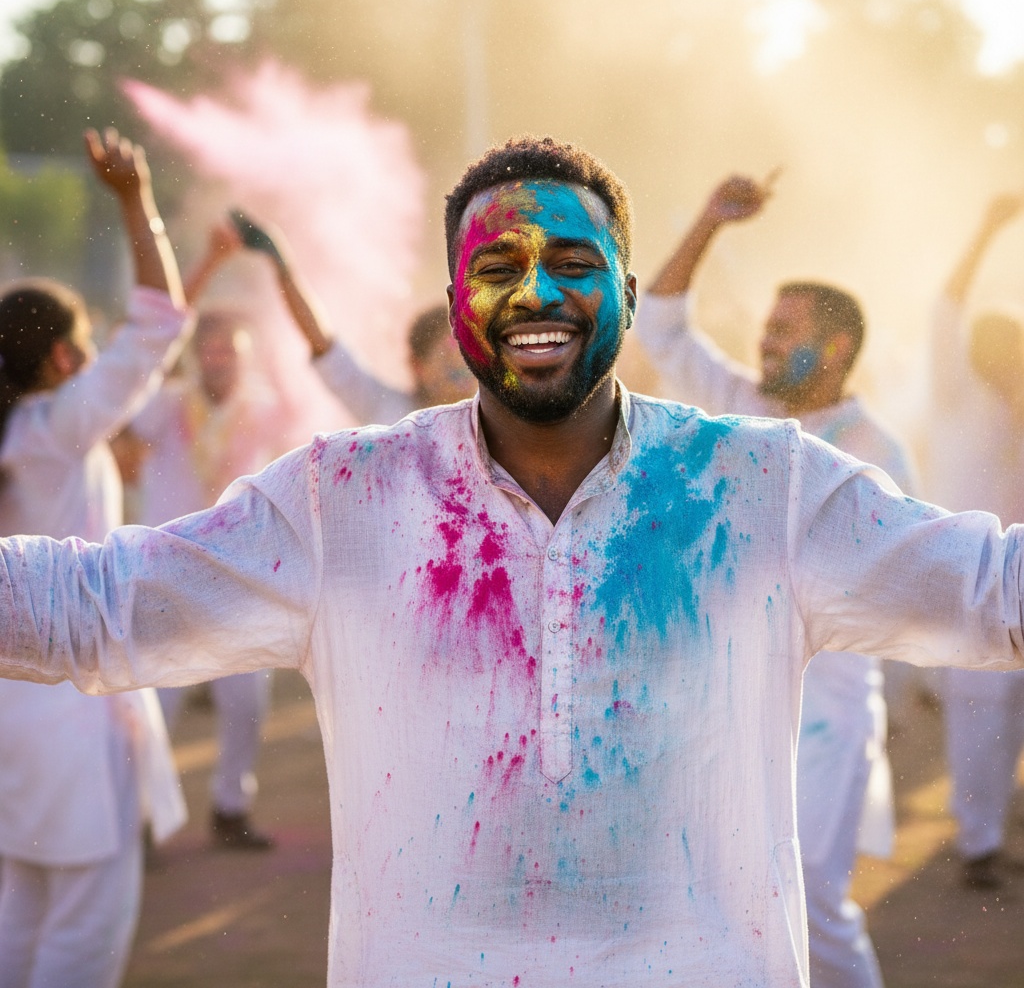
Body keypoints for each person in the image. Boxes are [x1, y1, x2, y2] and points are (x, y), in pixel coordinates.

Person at [2, 136, 1024, 988]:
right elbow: (91, 607)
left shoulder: (764, 485)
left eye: (574, 264)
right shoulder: (340, 501)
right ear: (454, 302)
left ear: (628, 288)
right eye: (497, 267)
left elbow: (989, 588)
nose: (537, 291)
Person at [635, 173, 911, 988]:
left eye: (782, 331)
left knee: (812, 911)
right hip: (723, 706)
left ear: (834, 350)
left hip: (823, 719)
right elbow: (662, 324)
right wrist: (710, 220)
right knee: (726, 906)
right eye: (764, 327)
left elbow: (895, 582)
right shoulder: (740, 406)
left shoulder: (873, 451)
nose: (761, 344)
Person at [0, 128, 189, 988]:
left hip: (16, 709)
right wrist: (132, 199)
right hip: (70, 706)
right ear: (65, 360)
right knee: (82, 933)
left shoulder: (23, 432)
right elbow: (157, 327)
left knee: (21, 916)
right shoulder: (56, 427)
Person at [132, 222, 286, 850]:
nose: (219, 359)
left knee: (246, 700)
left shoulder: (267, 408)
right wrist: (202, 266)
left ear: (246, 356)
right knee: (158, 707)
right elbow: (151, 348)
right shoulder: (166, 406)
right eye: (210, 349)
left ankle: (230, 805)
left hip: (237, 574)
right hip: (168, 569)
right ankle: (142, 819)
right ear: (197, 356)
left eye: (231, 350)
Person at [926, 193, 1024, 890]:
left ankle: (993, 829)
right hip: (967, 580)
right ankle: (978, 843)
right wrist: (986, 229)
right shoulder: (958, 393)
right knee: (980, 713)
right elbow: (944, 311)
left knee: (1007, 709)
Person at [230, 210, 475, 423]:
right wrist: (282, 264)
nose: (463, 369)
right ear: (417, 366)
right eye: (449, 360)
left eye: (468, 355)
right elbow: (321, 340)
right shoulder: (386, 409)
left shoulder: (496, 426)